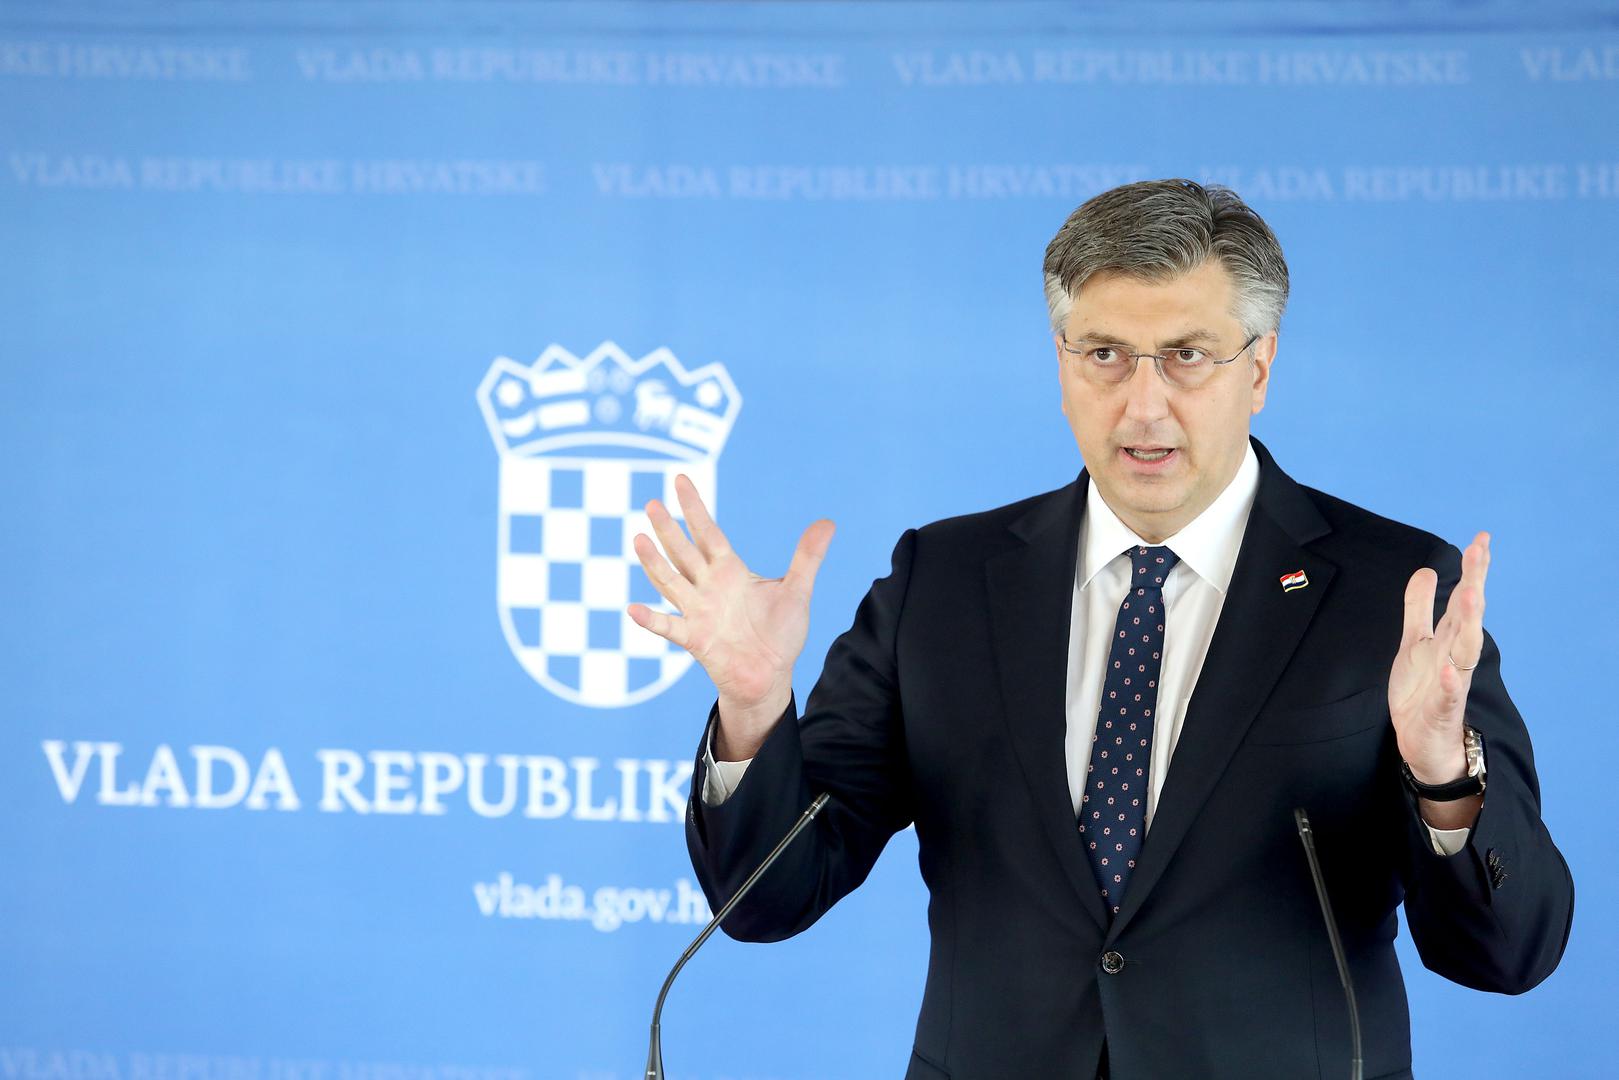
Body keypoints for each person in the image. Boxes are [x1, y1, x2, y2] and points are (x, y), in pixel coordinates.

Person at [625, 179, 1573, 1079]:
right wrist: (753, 710)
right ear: (1061, 360)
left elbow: (1508, 953)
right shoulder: (942, 582)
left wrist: (1442, 779)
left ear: (1259, 367)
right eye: (1105, 355)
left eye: (1187, 356)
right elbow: (767, 899)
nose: (1142, 404)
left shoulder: (1391, 594)